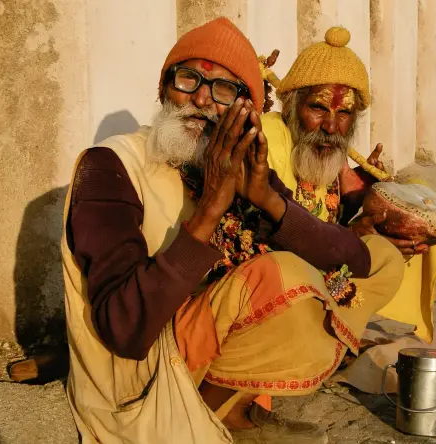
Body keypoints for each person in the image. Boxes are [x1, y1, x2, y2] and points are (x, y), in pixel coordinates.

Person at [61, 17, 404, 444]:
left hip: (209, 335)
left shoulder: (233, 163)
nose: (202, 98)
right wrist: (209, 211)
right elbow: (124, 330)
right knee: (285, 275)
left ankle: (231, 406)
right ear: (163, 89)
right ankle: (200, 410)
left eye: (224, 89)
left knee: (382, 259)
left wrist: (266, 198)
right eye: (188, 79)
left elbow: (349, 257)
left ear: (248, 110)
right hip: (144, 368)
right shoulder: (111, 165)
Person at [261, 26, 436, 344]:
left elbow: (324, 212)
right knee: (370, 251)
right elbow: (282, 232)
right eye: (318, 108)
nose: (331, 126)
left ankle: (330, 329)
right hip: (269, 281)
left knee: (390, 250)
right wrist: (353, 237)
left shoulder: (328, 152)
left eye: (344, 113)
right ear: (291, 105)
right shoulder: (270, 139)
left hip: (319, 272)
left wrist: (359, 194)